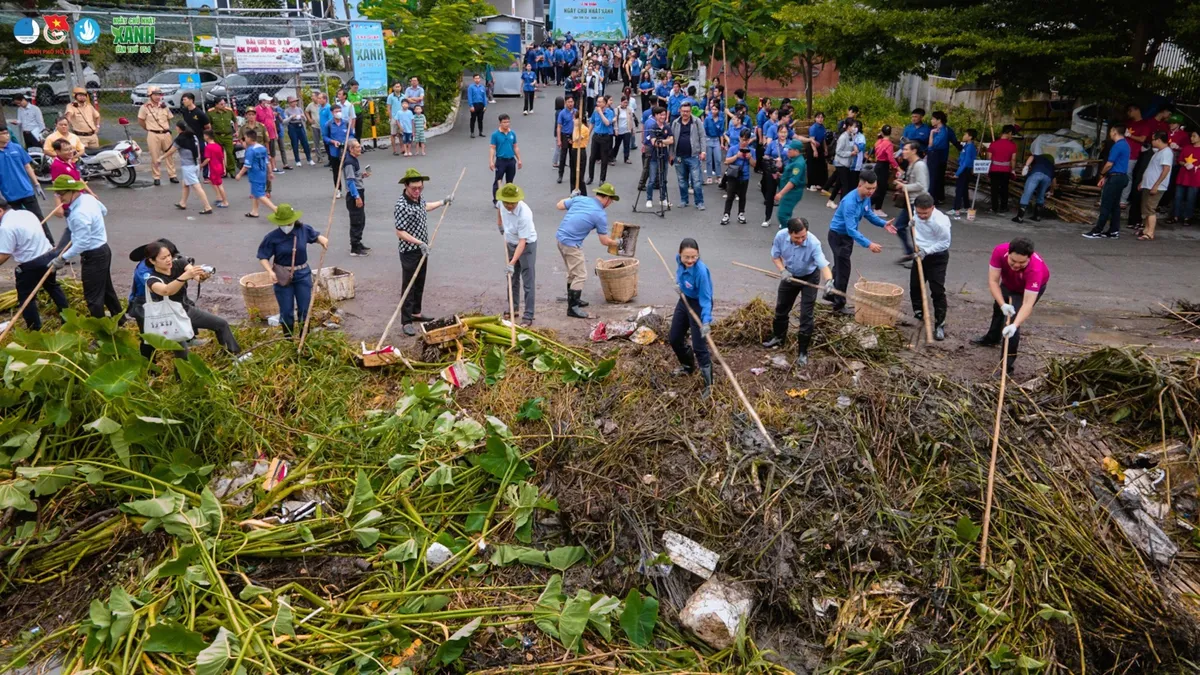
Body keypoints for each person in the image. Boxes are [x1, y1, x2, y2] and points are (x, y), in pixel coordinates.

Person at [142, 241, 241, 356]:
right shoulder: (152, 280)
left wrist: (202, 276)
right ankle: (182, 373)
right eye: (163, 258)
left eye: (169, 255)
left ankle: (233, 356)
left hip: (186, 310)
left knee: (221, 324)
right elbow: (166, 291)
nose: (168, 260)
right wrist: (185, 276)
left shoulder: (179, 263)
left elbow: (196, 276)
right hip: (171, 318)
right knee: (183, 355)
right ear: (152, 261)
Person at [760, 217, 834, 367]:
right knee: (781, 308)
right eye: (797, 237)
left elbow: (823, 265)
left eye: (803, 237)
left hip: (809, 277)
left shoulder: (813, 243)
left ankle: (802, 352)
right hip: (790, 274)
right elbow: (775, 257)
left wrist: (829, 282)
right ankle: (779, 337)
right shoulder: (781, 236)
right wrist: (783, 271)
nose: (801, 240)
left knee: (806, 314)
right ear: (789, 233)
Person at [47, 176, 123, 320]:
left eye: (61, 194)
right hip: (103, 250)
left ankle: (100, 330)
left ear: (73, 191)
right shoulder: (88, 198)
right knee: (106, 290)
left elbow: (82, 243)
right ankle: (120, 320)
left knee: (93, 298)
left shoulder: (79, 214)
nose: (59, 198)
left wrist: (62, 258)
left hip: (94, 255)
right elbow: (104, 211)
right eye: (57, 194)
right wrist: (93, 223)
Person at [971, 237, 1049, 375]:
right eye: (1013, 261)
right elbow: (993, 281)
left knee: (1012, 324)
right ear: (1008, 253)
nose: (1016, 265)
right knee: (998, 309)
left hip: (1026, 289)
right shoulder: (999, 251)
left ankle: (1007, 367)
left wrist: (1014, 325)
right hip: (1008, 283)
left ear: (1029, 258)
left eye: (1022, 262)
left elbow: (1027, 304)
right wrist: (1002, 304)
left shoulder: (1035, 270)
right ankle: (992, 338)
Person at [394, 168, 453, 336]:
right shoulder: (401, 205)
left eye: (420, 187)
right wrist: (419, 243)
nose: (417, 191)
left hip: (422, 249)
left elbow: (424, 207)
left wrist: (443, 202)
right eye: (414, 188)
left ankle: (416, 313)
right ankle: (406, 321)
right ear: (406, 186)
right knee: (409, 285)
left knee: (420, 281)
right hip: (410, 251)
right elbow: (400, 232)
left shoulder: (418, 198)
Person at [256, 204, 329, 336]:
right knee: (286, 310)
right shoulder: (272, 237)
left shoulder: (303, 230)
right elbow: (263, 256)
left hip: (302, 274)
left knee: (304, 308)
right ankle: (288, 339)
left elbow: (316, 237)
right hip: (282, 275)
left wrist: (322, 240)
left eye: (289, 222)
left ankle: (303, 338)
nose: (286, 225)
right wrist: (270, 271)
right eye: (283, 223)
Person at [886, 193, 950, 340]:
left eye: (925, 213)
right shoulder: (915, 212)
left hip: (936, 257)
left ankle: (940, 324)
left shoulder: (940, 222)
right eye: (919, 212)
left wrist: (926, 252)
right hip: (919, 253)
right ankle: (919, 313)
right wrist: (912, 223)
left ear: (932, 208)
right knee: (915, 286)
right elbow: (916, 221)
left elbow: (944, 244)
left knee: (937, 290)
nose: (921, 215)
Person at [826, 170, 891, 313]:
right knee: (844, 270)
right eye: (868, 188)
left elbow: (868, 213)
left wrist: (883, 224)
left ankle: (830, 293)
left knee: (839, 266)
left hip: (845, 237)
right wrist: (869, 244)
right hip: (838, 236)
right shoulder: (849, 202)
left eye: (874, 188)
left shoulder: (865, 197)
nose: (871, 191)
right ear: (860, 185)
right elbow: (851, 230)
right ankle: (839, 305)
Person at [0, 197, 68, 330]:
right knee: (53, 287)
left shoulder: (6, 227)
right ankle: (68, 318)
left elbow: (5, 254)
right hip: (48, 255)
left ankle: (34, 329)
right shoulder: (26, 213)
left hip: (31, 265)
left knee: (26, 299)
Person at [555, 183, 620, 319]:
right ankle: (572, 308)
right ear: (606, 198)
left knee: (573, 272)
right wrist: (617, 242)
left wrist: (571, 197)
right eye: (611, 200)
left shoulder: (581, 199)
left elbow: (559, 205)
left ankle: (573, 299)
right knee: (580, 275)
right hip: (571, 244)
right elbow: (604, 241)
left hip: (560, 239)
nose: (611, 203)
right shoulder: (600, 214)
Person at [670, 238, 714, 395]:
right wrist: (678, 284)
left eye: (694, 257)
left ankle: (709, 385)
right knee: (674, 338)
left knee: (699, 346)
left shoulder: (701, 271)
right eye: (686, 257)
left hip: (699, 304)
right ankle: (688, 366)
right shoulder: (679, 261)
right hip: (684, 300)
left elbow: (706, 299)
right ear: (680, 255)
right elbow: (679, 273)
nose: (690, 260)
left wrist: (706, 321)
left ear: (698, 255)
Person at [495, 183, 537, 326]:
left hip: (526, 246)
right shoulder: (502, 203)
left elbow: (522, 242)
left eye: (512, 203)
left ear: (517, 200)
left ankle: (528, 315)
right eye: (506, 203)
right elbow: (499, 210)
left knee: (527, 279)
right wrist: (500, 224)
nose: (509, 206)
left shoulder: (525, 214)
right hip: (510, 241)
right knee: (511, 279)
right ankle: (513, 308)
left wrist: (512, 263)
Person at [1084, 125, 1130, 239]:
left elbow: (1109, 164)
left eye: (1110, 131)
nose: (1110, 134)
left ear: (1115, 132)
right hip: (1121, 176)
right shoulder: (1126, 145)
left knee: (1106, 204)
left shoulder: (1117, 146)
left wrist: (1102, 174)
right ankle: (1114, 230)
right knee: (1115, 205)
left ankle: (1097, 230)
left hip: (1114, 178)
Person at [0, 127, 49, 233]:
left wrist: (36, 184)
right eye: (3, 134)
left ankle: (50, 243)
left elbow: (27, 166)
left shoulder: (17, 148)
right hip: (9, 195)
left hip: (26, 191)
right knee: (19, 223)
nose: (7, 136)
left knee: (38, 218)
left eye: (7, 133)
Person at [162, 121, 212, 214]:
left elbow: (171, 151)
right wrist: (199, 162)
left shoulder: (180, 138)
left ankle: (207, 206)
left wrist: (160, 158)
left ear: (179, 128)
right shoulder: (193, 136)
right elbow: (198, 150)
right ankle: (183, 203)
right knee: (185, 184)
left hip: (188, 166)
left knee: (197, 187)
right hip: (195, 164)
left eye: (176, 127)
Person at [892, 141, 929, 264]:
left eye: (906, 149)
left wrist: (904, 186)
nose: (903, 151)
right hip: (910, 201)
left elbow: (922, 186)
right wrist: (902, 183)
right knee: (900, 227)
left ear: (914, 151)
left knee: (916, 230)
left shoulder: (920, 166)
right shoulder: (911, 164)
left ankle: (918, 258)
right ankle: (911, 253)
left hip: (918, 203)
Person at [1136, 131, 1173, 240]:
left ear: (1158, 140)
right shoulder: (1158, 152)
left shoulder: (1166, 152)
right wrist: (1143, 182)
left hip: (1156, 186)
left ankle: (1150, 232)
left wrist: (1156, 185)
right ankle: (1146, 229)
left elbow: (1166, 170)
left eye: (1153, 139)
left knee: (1150, 208)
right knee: (1146, 208)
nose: (1151, 141)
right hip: (1148, 184)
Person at [670, 102, 706, 210]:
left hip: (693, 156)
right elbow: (672, 140)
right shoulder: (675, 123)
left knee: (696, 181)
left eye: (687, 111)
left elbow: (702, 137)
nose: (685, 113)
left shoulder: (696, 121)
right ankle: (684, 200)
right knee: (681, 180)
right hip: (679, 157)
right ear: (680, 111)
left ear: (690, 111)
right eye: (683, 111)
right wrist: (671, 154)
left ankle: (699, 202)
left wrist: (703, 151)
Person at [234, 129, 276, 218]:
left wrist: (239, 174)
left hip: (255, 174)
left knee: (259, 194)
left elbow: (247, 165)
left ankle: (275, 209)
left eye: (245, 138)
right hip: (262, 173)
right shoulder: (262, 148)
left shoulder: (250, 150)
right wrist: (270, 172)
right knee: (255, 192)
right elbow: (267, 162)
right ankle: (254, 211)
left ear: (249, 138)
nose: (244, 139)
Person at [722, 128, 756, 225]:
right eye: (742, 139)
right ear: (739, 138)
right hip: (733, 176)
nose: (744, 142)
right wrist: (737, 156)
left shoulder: (752, 150)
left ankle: (741, 213)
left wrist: (750, 158)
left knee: (742, 196)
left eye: (746, 140)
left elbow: (754, 165)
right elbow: (726, 161)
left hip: (744, 176)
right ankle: (726, 214)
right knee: (730, 196)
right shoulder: (733, 148)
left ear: (749, 140)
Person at [343, 139, 371, 256]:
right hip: (354, 194)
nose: (360, 149)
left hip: (359, 191)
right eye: (357, 147)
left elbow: (354, 177)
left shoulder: (354, 160)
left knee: (361, 219)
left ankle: (358, 242)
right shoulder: (349, 162)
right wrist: (356, 197)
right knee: (356, 220)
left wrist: (362, 175)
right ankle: (355, 247)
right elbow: (350, 181)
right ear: (351, 149)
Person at [643, 106, 674, 208]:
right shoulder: (653, 126)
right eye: (661, 114)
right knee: (652, 179)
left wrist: (661, 142)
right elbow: (654, 142)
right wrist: (664, 142)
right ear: (656, 116)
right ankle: (649, 199)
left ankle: (663, 198)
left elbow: (671, 140)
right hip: (654, 156)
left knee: (664, 179)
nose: (663, 117)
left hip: (664, 156)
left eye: (664, 115)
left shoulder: (667, 127)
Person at [1012, 153, 1055, 223]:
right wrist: (1052, 190)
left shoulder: (1039, 157)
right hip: (1047, 178)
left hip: (1036, 174)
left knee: (1027, 194)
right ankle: (1037, 216)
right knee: (1041, 195)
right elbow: (1054, 180)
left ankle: (1019, 217)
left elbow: (1031, 157)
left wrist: (1026, 166)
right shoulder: (1051, 165)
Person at [759, 124, 788, 226]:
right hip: (772, 172)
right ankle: (767, 218)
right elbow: (765, 156)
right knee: (769, 195)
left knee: (783, 196)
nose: (783, 134)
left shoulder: (791, 144)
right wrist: (774, 160)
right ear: (777, 133)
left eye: (785, 132)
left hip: (785, 173)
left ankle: (783, 220)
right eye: (781, 132)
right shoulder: (772, 144)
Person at [828, 121, 862, 208]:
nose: (855, 128)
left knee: (839, 183)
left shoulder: (850, 136)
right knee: (845, 184)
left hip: (846, 163)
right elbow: (838, 151)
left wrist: (854, 149)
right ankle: (843, 205)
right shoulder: (843, 137)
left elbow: (852, 145)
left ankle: (831, 200)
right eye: (853, 126)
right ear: (848, 126)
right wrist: (850, 153)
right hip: (841, 163)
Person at [490, 114, 521, 207]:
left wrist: (519, 159)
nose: (507, 124)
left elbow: (515, 147)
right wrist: (491, 161)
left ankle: (508, 200)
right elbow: (492, 148)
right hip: (501, 161)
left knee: (510, 182)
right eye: (504, 122)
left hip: (511, 160)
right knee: (498, 181)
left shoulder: (512, 134)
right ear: (500, 123)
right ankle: (496, 200)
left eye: (508, 122)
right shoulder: (495, 135)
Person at [322, 104, 354, 196]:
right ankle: (338, 190)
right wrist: (332, 141)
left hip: (346, 151)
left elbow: (351, 134)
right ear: (332, 113)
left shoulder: (346, 123)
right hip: (334, 151)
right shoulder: (328, 124)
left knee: (348, 170)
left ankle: (350, 189)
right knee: (336, 171)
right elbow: (325, 137)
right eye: (336, 111)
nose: (338, 113)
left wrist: (348, 141)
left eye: (340, 111)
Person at [1170, 130, 1200, 225]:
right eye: (1191, 136)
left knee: (1191, 198)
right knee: (1178, 196)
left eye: (1194, 136)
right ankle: (1175, 216)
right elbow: (1180, 160)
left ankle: (1187, 217)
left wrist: (1195, 166)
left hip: (1195, 177)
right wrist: (1185, 164)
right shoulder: (1187, 147)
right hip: (1183, 175)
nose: (1192, 138)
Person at [987, 125, 1017, 212]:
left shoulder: (993, 144)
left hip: (994, 170)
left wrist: (989, 168)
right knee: (1004, 189)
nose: (1012, 136)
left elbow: (989, 158)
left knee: (994, 189)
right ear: (1009, 133)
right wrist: (1013, 170)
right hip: (1006, 170)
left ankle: (994, 207)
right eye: (1012, 134)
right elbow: (1013, 159)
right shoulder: (1012, 145)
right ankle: (1003, 207)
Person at [950, 128, 977, 216]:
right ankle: (966, 206)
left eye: (965, 135)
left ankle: (956, 208)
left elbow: (966, 162)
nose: (963, 136)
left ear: (970, 137)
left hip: (964, 170)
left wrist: (958, 173)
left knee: (959, 189)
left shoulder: (970, 147)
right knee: (964, 188)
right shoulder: (967, 146)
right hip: (965, 169)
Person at [207, 98, 237, 178]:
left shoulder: (229, 111)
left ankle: (231, 170)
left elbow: (235, 121)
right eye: (221, 104)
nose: (223, 105)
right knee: (218, 154)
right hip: (217, 136)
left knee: (230, 153)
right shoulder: (211, 113)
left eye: (224, 104)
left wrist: (236, 131)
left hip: (228, 135)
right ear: (216, 105)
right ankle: (221, 171)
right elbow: (208, 125)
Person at [588, 96, 615, 184]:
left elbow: (607, 123)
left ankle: (602, 179)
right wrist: (587, 135)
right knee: (592, 158)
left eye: (600, 102)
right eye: (597, 102)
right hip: (596, 136)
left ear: (605, 103)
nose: (598, 104)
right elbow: (592, 123)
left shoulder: (609, 112)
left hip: (605, 137)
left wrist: (600, 113)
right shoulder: (595, 112)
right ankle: (590, 177)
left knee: (604, 159)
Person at [255, 94, 284, 173]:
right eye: (267, 100)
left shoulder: (269, 109)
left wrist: (275, 133)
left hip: (271, 134)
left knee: (272, 151)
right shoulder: (256, 110)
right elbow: (255, 123)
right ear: (262, 101)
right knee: (262, 151)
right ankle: (262, 168)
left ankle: (274, 167)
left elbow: (273, 121)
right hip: (262, 135)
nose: (269, 102)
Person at [200, 131, 229, 209]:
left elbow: (208, 159)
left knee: (219, 185)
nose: (203, 137)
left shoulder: (208, 147)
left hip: (213, 168)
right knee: (213, 182)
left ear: (207, 137)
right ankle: (220, 198)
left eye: (204, 136)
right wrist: (224, 167)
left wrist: (202, 165)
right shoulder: (218, 146)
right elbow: (222, 158)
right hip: (219, 166)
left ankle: (225, 201)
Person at [283, 96, 313, 166]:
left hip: (300, 126)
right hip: (292, 127)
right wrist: (291, 117)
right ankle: (297, 160)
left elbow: (305, 120)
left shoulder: (299, 109)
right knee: (295, 144)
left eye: (295, 101)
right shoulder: (287, 111)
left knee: (305, 143)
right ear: (289, 103)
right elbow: (284, 121)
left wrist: (303, 116)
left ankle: (309, 159)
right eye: (293, 102)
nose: (294, 103)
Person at [556, 95, 578, 185]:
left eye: (572, 102)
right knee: (563, 157)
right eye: (569, 102)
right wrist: (559, 140)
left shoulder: (576, 112)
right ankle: (560, 175)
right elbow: (559, 127)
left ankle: (573, 175)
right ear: (565, 103)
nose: (570, 104)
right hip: (565, 135)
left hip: (574, 136)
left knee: (573, 157)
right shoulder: (562, 113)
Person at [613, 95, 639, 165]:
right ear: (621, 102)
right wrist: (616, 129)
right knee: (617, 144)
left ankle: (626, 158)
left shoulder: (629, 109)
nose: (625, 104)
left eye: (627, 103)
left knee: (626, 145)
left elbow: (631, 120)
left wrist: (633, 130)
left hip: (627, 130)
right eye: (624, 102)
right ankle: (613, 156)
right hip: (619, 130)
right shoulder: (617, 110)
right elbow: (615, 121)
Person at [305, 91, 327, 165]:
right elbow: (306, 111)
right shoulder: (310, 105)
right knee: (316, 142)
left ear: (317, 97)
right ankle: (319, 157)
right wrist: (309, 119)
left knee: (326, 141)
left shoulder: (322, 105)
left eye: (313, 96)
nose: (311, 97)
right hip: (315, 126)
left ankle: (330, 156)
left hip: (323, 126)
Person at [468, 74, 488, 139]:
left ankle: (480, 132)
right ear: (473, 79)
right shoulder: (471, 87)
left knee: (480, 119)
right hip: (474, 104)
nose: (477, 80)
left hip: (481, 105)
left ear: (480, 79)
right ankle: (472, 132)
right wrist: (471, 106)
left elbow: (484, 97)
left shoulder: (482, 87)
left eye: (478, 78)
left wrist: (485, 105)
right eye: (476, 78)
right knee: (473, 119)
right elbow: (469, 97)